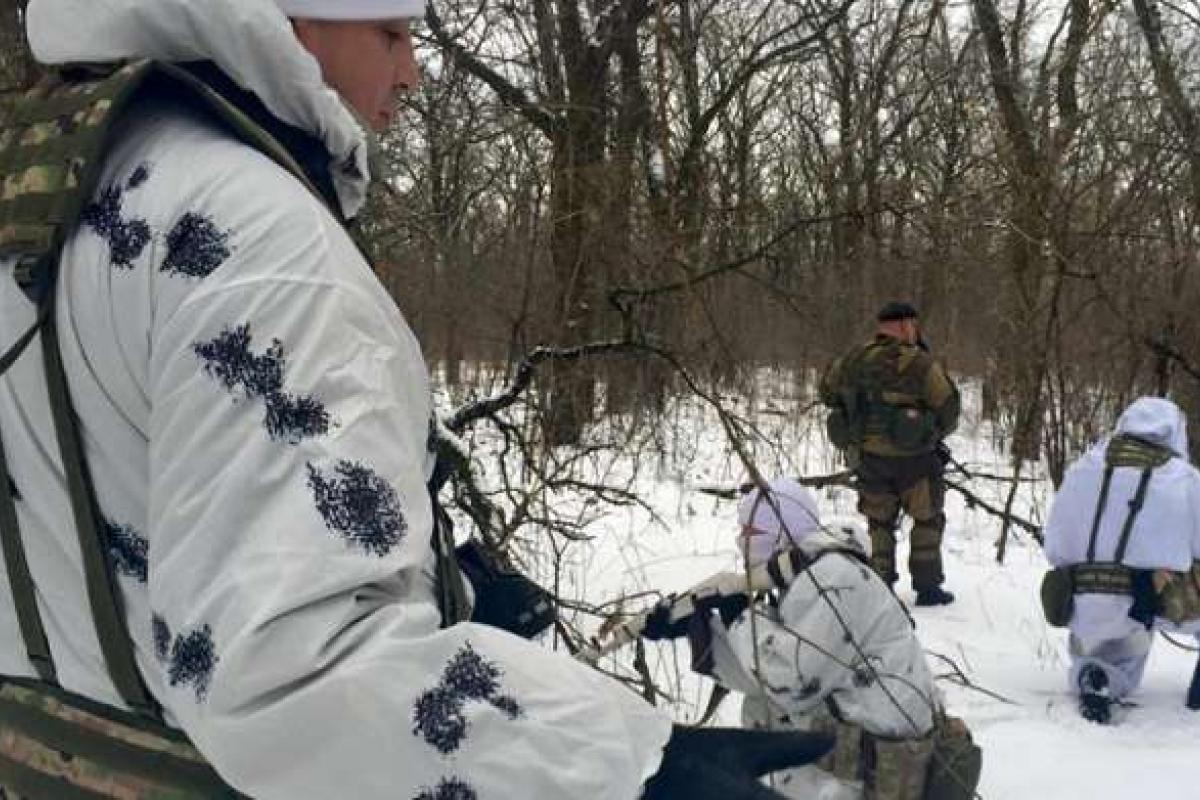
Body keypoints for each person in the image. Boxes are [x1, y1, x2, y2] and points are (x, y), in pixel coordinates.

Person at [0, 1, 832, 797]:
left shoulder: (50, 193)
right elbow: (293, 672)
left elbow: (117, 505)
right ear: (285, 19)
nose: (414, 72)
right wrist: (624, 769)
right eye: (391, 33)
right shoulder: (260, 240)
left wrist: (453, 595)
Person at [689, 477, 939, 800]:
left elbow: (791, 684)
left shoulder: (832, 580)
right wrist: (701, 635)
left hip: (883, 772)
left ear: (782, 532)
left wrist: (739, 618)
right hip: (859, 746)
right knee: (761, 708)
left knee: (767, 720)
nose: (741, 542)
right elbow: (765, 676)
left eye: (751, 533)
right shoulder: (809, 576)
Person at [1044, 397, 1200, 724]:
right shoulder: (1183, 479)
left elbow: (1056, 544)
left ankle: (1096, 676)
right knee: (1145, 600)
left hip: (1078, 599)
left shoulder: (1083, 467)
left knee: (1112, 644)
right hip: (1148, 601)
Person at [819, 302, 960, 607]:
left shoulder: (851, 361)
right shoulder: (920, 363)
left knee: (878, 524)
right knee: (927, 521)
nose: (916, 330)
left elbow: (826, 394)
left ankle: (881, 586)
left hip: (869, 461)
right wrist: (929, 432)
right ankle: (928, 588)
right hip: (917, 463)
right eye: (913, 324)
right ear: (905, 325)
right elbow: (950, 408)